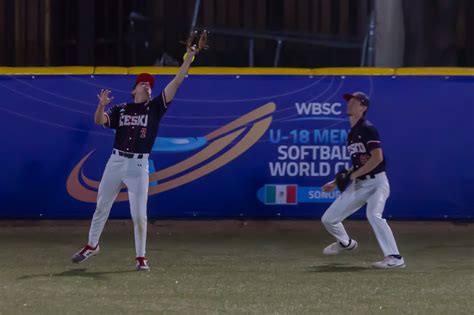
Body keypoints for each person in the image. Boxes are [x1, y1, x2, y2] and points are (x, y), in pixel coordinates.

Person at [72, 31, 208, 271]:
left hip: (138, 166)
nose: (147, 84)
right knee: (102, 205)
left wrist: (189, 58)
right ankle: (92, 245)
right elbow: (99, 120)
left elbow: (176, 82)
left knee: (139, 215)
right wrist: (101, 105)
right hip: (116, 162)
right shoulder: (121, 109)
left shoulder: (155, 108)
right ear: (134, 89)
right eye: (143, 82)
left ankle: (141, 257)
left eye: (149, 83)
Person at [321, 92, 405, 269]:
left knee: (374, 215)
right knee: (329, 219)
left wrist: (352, 176)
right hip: (360, 184)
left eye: (355, 101)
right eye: (349, 100)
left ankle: (395, 258)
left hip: (377, 183)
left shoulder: (368, 128)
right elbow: (358, 163)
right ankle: (346, 243)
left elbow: (377, 158)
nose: (350, 103)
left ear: (363, 107)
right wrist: (335, 182)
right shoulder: (352, 134)